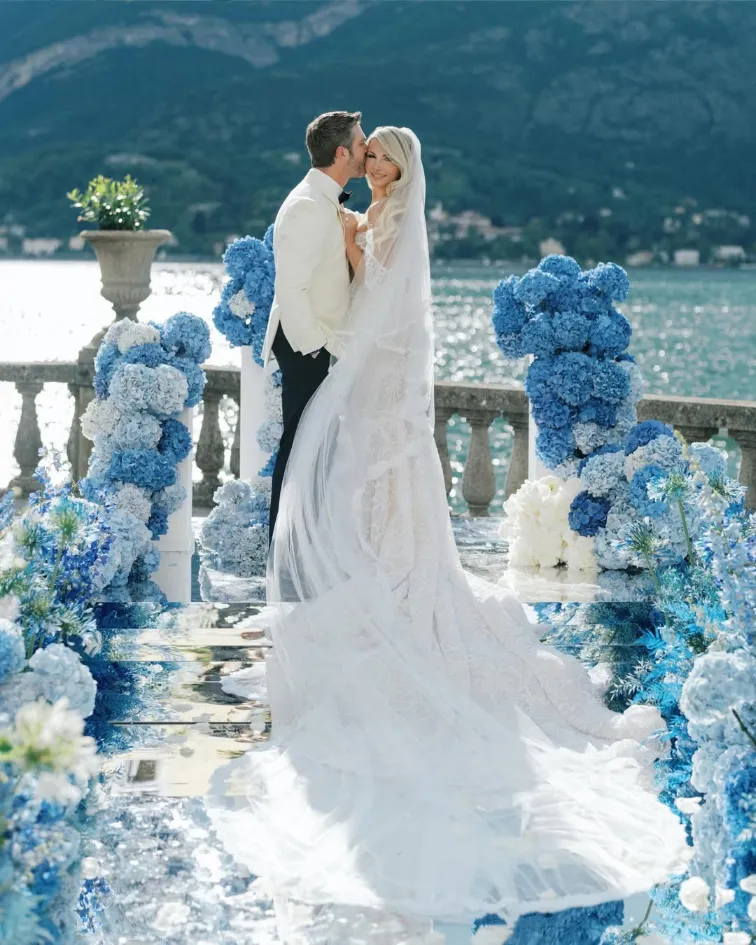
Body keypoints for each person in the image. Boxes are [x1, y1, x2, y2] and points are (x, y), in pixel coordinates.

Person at [209, 127, 690, 944]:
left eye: (387, 157)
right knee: (367, 499)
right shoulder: (370, 214)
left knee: (379, 502)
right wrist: (356, 245)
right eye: (371, 153)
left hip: (376, 383)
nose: (376, 164)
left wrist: (358, 252)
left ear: (404, 168)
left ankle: (388, 585)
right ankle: (373, 578)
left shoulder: (388, 221)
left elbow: (375, 310)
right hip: (370, 382)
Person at [262, 110, 368, 543]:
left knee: (316, 453)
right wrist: (317, 350)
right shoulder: (307, 205)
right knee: (298, 451)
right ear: (342, 153)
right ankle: (283, 550)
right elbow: (291, 288)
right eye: (361, 145)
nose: (367, 151)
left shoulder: (326, 201)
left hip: (323, 345)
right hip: (307, 348)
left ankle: (305, 546)